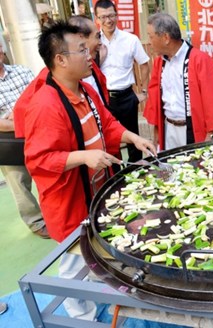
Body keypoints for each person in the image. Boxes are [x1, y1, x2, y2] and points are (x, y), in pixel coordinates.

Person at [24, 21, 155, 319]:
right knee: (73, 262)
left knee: (95, 249)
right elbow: (39, 159)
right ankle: (79, 316)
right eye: (81, 49)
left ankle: (95, 298)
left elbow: (107, 124)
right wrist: (83, 157)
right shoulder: (45, 104)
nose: (90, 54)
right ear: (60, 59)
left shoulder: (84, 89)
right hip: (70, 199)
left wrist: (132, 137)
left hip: (96, 189)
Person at [143, 13, 213, 151]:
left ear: (166, 38)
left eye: (151, 36)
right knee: (169, 169)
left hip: (194, 129)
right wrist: (156, 136)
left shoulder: (199, 59)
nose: (149, 42)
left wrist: (210, 136)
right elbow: (156, 101)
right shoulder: (159, 62)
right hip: (168, 129)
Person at [0, 44, 48, 238]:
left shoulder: (22, 71)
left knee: (46, 174)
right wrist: (21, 120)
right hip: (9, 142)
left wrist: (16, 115)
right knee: (19, 182)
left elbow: (40, 97)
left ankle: (52, 214)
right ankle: (35, 221)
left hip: (36, 133)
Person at [95, 0, 150, 162]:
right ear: (97, 19)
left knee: (133, 136)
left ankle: (137, 171)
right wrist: (100, 58)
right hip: (104, 98)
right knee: (108, 139)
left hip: (127, 96)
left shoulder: (130, 39)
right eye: (103, 17)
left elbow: (144, 64)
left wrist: (143, 92)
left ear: (117, 16)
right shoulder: (94, 42)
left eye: (111, 15)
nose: (108, 20)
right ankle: (115, 174)